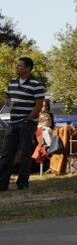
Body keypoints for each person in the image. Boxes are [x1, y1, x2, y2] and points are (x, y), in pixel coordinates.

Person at [0, 57, 45, 191]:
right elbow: (7, 98)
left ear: (28, 68)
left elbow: (39, 105)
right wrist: (6, 103)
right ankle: (2, 184)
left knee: (25, 153)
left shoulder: (36, 84)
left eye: (20, 66)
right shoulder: (12, 82)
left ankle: (22, 182)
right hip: (13, 122)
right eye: (17, 66)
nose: (17, 68)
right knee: (7, 153)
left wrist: (29, 118)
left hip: (27, 123)